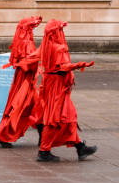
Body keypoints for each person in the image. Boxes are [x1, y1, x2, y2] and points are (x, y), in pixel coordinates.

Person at [37, 19, 97, 162]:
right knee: (55, 118)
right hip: (57, 86)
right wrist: (79, 65)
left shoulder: (47, 45)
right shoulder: (56, 47)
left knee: (68, 116)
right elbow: (61, 67)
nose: (62, 33)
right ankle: (44, 151)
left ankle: (79, 146)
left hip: (54, 85)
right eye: (60, 30)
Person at [0, 15, 44, 148]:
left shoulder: (21, 41)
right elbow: (27, 64)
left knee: (33, 108)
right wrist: (39, 55)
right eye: (32, 27)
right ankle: (3, 136)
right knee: (22, 107)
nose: (34, 30)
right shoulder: (27, 43)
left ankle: (43, 137)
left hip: (24, 81)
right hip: (26, 82)